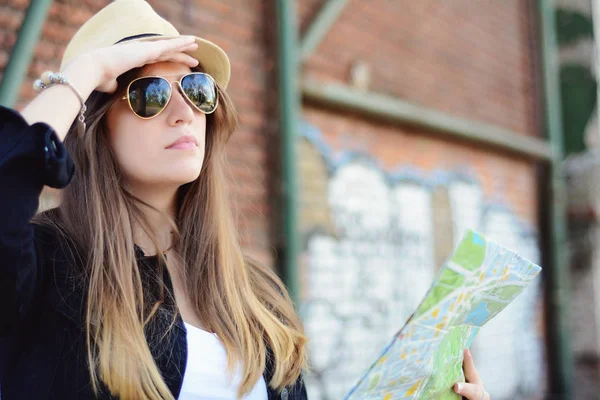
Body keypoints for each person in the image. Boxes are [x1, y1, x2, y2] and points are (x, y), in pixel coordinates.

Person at [0, 1, 490, 399]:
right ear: (94, 126)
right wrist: (82, 76)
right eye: (148, 93)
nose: (183, 112)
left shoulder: (254, 293)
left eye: (196, 89)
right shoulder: (45, 268)